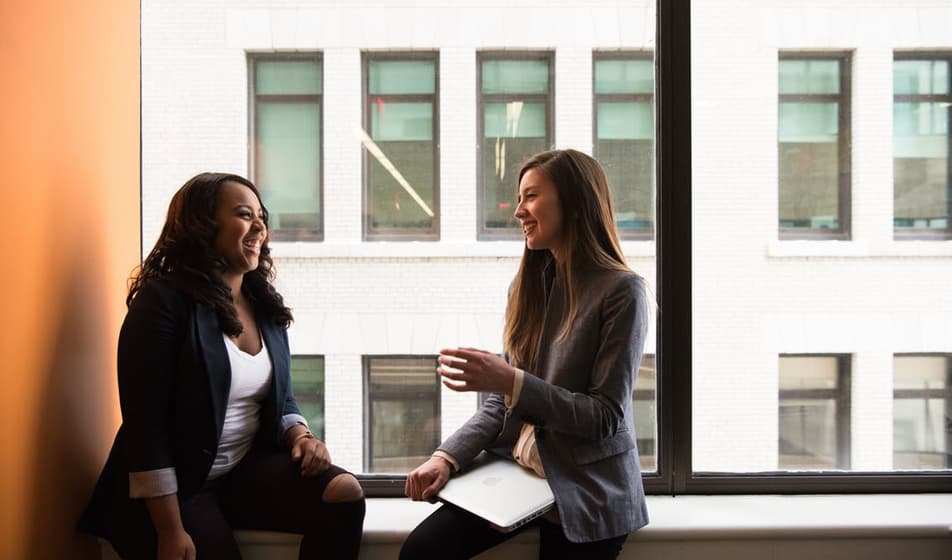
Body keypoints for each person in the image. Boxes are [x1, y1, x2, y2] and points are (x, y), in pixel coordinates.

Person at [79, 173, 365, 559]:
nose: (260, 226)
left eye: (262, 216)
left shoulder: (264, 305)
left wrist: (300, 435)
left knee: (343, 493)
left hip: (238, 473)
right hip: (173, 492)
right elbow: (144, 430)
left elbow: (281, 400)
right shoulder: (162, 303)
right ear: (202, 224)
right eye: (245, 214)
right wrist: (169, 530)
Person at [401, 149, 649, 560]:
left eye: (530, 196)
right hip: (521, 475)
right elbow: (502, 402)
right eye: (519, 199)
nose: (518, 212)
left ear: (573, 201)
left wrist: (511, 380)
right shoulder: (529, 285)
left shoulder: (623, 291)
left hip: (587, 487)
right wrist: (446, 457)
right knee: (421, 552)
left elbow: (604, 417)